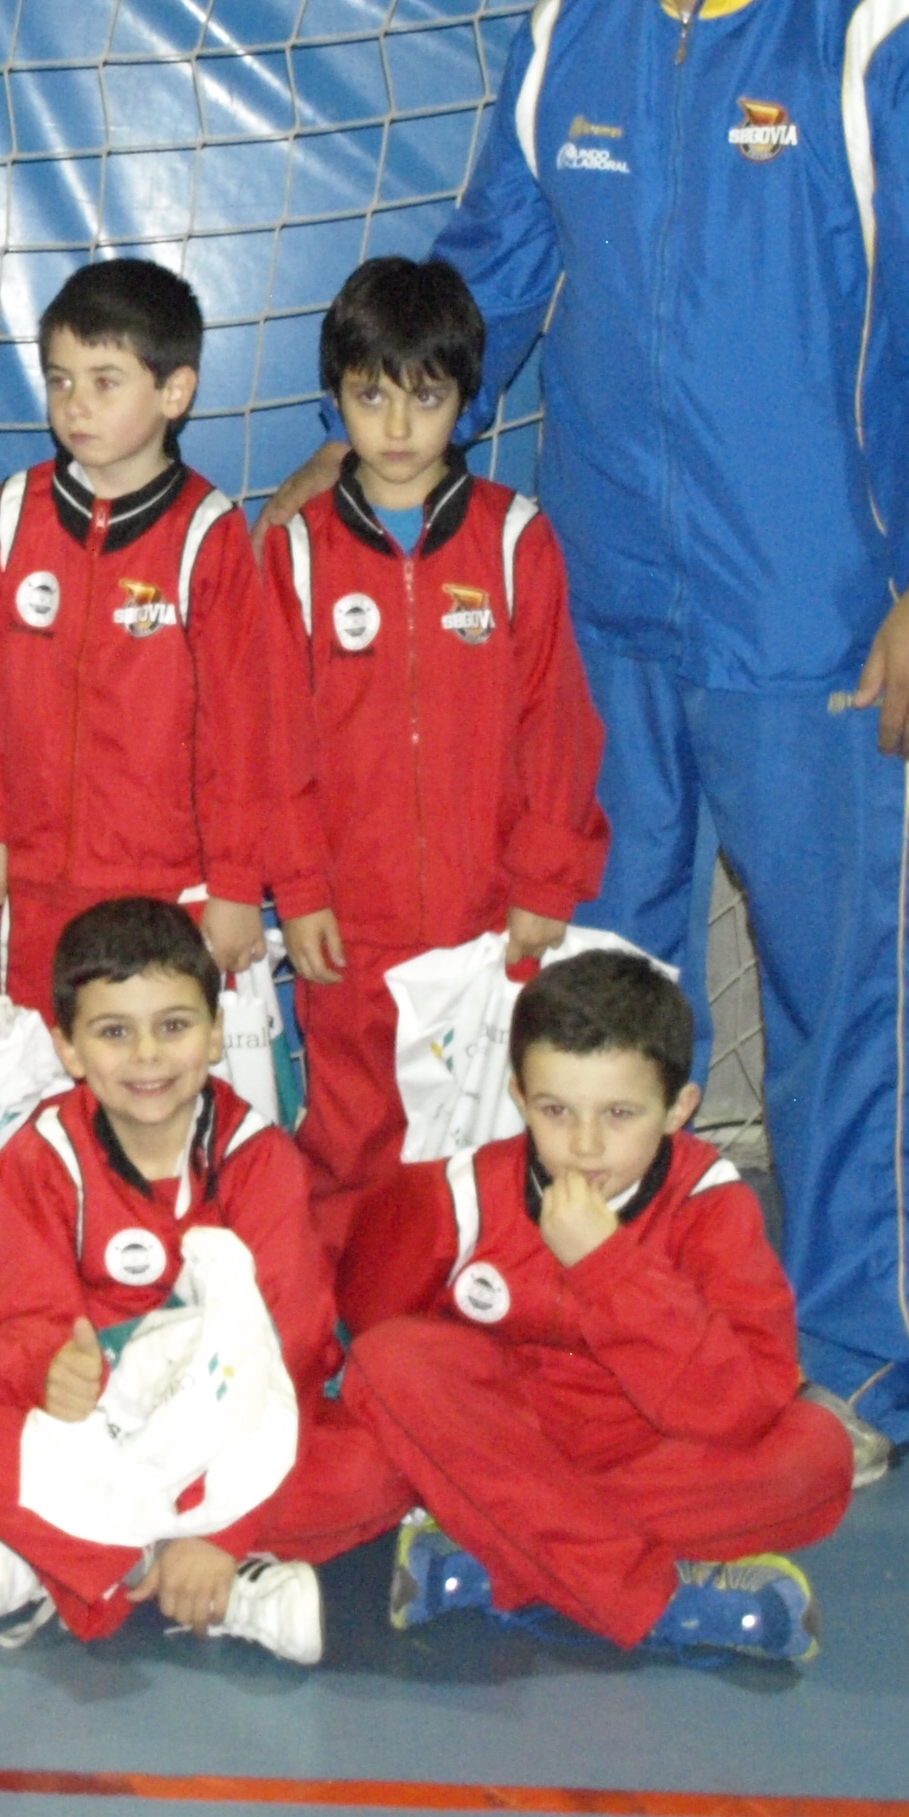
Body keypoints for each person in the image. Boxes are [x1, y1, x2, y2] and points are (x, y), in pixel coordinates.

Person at [264, 0, 909, 1480]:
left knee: (847, 1005)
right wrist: (358, 442)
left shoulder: (899, 45)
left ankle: (855, 1361)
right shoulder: (573, 37)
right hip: (603, 632)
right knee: (585, 1014)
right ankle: (599, 1342)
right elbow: (483, 285)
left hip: (834, 637)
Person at [0, 898, 406, 1666]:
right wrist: (52, 1372)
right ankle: (156, 1574)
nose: (148, 1057)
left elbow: (288, 1349)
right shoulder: (42, 1153)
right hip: (99, 1431)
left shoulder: (260, 1159)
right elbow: (25, 1315)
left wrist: (223, 1531)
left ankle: (65, 1552)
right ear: (67, 1048)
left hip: (232, 1426)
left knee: (378, 1464)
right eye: (113, 1032)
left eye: (173, 1025)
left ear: (216, 1032)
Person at [334, 948, 854, 1664]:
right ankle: (654, 1601)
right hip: (507, 1443)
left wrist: (608, 1268)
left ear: (678, 1110)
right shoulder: (464, 1195)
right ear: (519, 1097)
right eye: (555, 1110)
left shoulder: (711, 1205)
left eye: (618, 1113)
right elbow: (376, 1341)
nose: (583, 1145)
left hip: (637, 1454)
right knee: (389, 1362)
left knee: (816, 1457)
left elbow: (740, 1407)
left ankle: (496, 1556)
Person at [273, 257, 608, 1199]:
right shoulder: (296, 551)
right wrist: (299, 889)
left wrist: (544, 879)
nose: (395, 427)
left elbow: (559, 728)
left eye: (424, 398)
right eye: (369, 396)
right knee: (354, 1145)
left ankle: (481, 1276)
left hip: (487, 918)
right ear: (334, 399)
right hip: (349, 925)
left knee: (488, 1145)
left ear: (465, 402)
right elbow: (272, 747)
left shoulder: (515, 539)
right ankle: (354, 1278)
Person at [0, 260, 287, 1015]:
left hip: (166, 889)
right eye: (60, 380)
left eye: (105, 382)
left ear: (175, 392)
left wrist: (236, 883)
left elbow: (240, 729)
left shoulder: (208, 533)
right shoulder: (11, 513)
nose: (75, 404)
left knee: (155, 1075)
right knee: (36, 1072)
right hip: (34, 885)